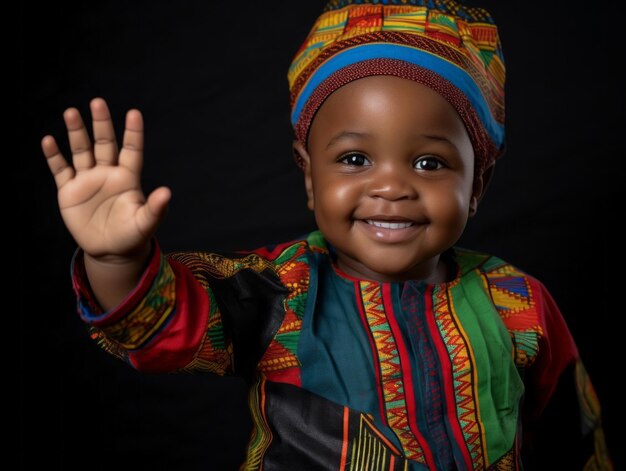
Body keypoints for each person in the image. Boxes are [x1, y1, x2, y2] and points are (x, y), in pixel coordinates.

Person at [41, 0, 612, 469]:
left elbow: (573, 435)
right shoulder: (277, 293)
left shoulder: (519, 304)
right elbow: (163, 327)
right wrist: (116, 258)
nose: (391, 187)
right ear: (309, 174)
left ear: (478, 181)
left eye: (430, 164)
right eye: (356, 158)